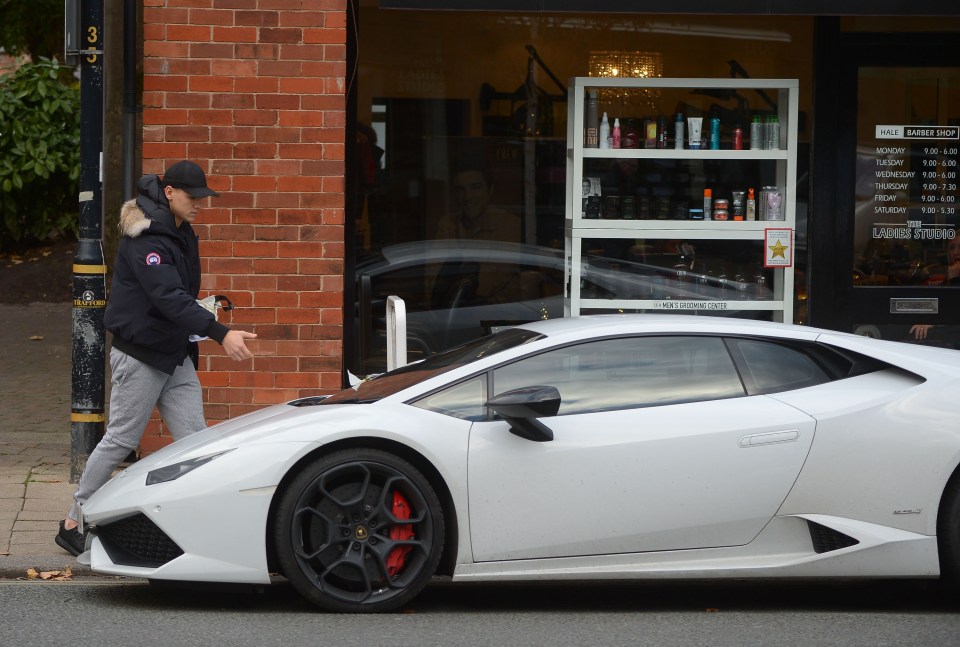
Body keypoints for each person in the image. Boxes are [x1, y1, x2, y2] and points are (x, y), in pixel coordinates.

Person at [55, 160, 257, 556]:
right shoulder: (146, 237)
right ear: (169, 193)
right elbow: (166, 296)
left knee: (195, 440)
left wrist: (200, 318)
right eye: (192, 196)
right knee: (120, 440)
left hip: (174, 352)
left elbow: (177, 295)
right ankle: (73, 520)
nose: (200, 203)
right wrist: (219, 332)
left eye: (203, 196)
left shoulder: (180, 232)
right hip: (142, 354)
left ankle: (201, 521)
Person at [434, 161, 521, 243]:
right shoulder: (447, 223)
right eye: (460, 189)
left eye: (475, 187)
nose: (467, 196)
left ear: (490, 190)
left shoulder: (510, 224)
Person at [910, 236, 960, 341]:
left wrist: (937, 321)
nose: (956, 252)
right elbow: (924, 300)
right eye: (951, 248)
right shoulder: (940, 272)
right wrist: (947, 275)